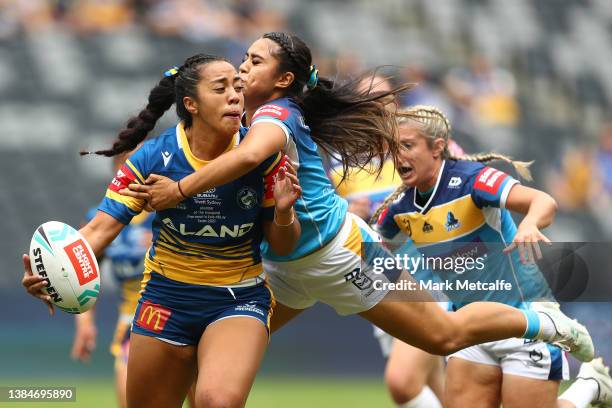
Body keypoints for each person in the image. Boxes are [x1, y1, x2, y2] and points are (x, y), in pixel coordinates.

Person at [120, 32, 593, 362]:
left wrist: (178, 190)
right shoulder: (241, 118)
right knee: (211, 357)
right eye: (243, 59)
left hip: (342, 252)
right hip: (284, 268)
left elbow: (247, 160)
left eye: (255, 62)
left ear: (285, 81)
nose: (243, 68)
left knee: (443, 336)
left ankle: (545, 324)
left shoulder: (275, 116)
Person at [22, 53, 302, 408]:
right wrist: (49, 271)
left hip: (238, 298)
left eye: (238, 87)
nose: (235, 96)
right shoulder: (153, 158)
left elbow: (283, 244)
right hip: (165, 298)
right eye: (220, 88)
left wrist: (283, 212)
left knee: (218, 401)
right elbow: (99, 231)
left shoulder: (262, 155)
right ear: (191, 104)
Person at [371, 105, 612, 408]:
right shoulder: (399, 210)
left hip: (525, 320)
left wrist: (529, 224)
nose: (399, 156)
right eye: (394, 148)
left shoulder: (474, 181)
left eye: (407, 145)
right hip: (470, 329)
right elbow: (374, 253)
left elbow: (543, 201)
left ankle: (589, 387)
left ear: (437, 148)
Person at [71, 151, 155, 408]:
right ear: (118, 170)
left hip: (179, 314)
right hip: (132, 322)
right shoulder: (100, 221)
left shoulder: (169, 211)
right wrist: (85, 322)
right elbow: (83, 273)